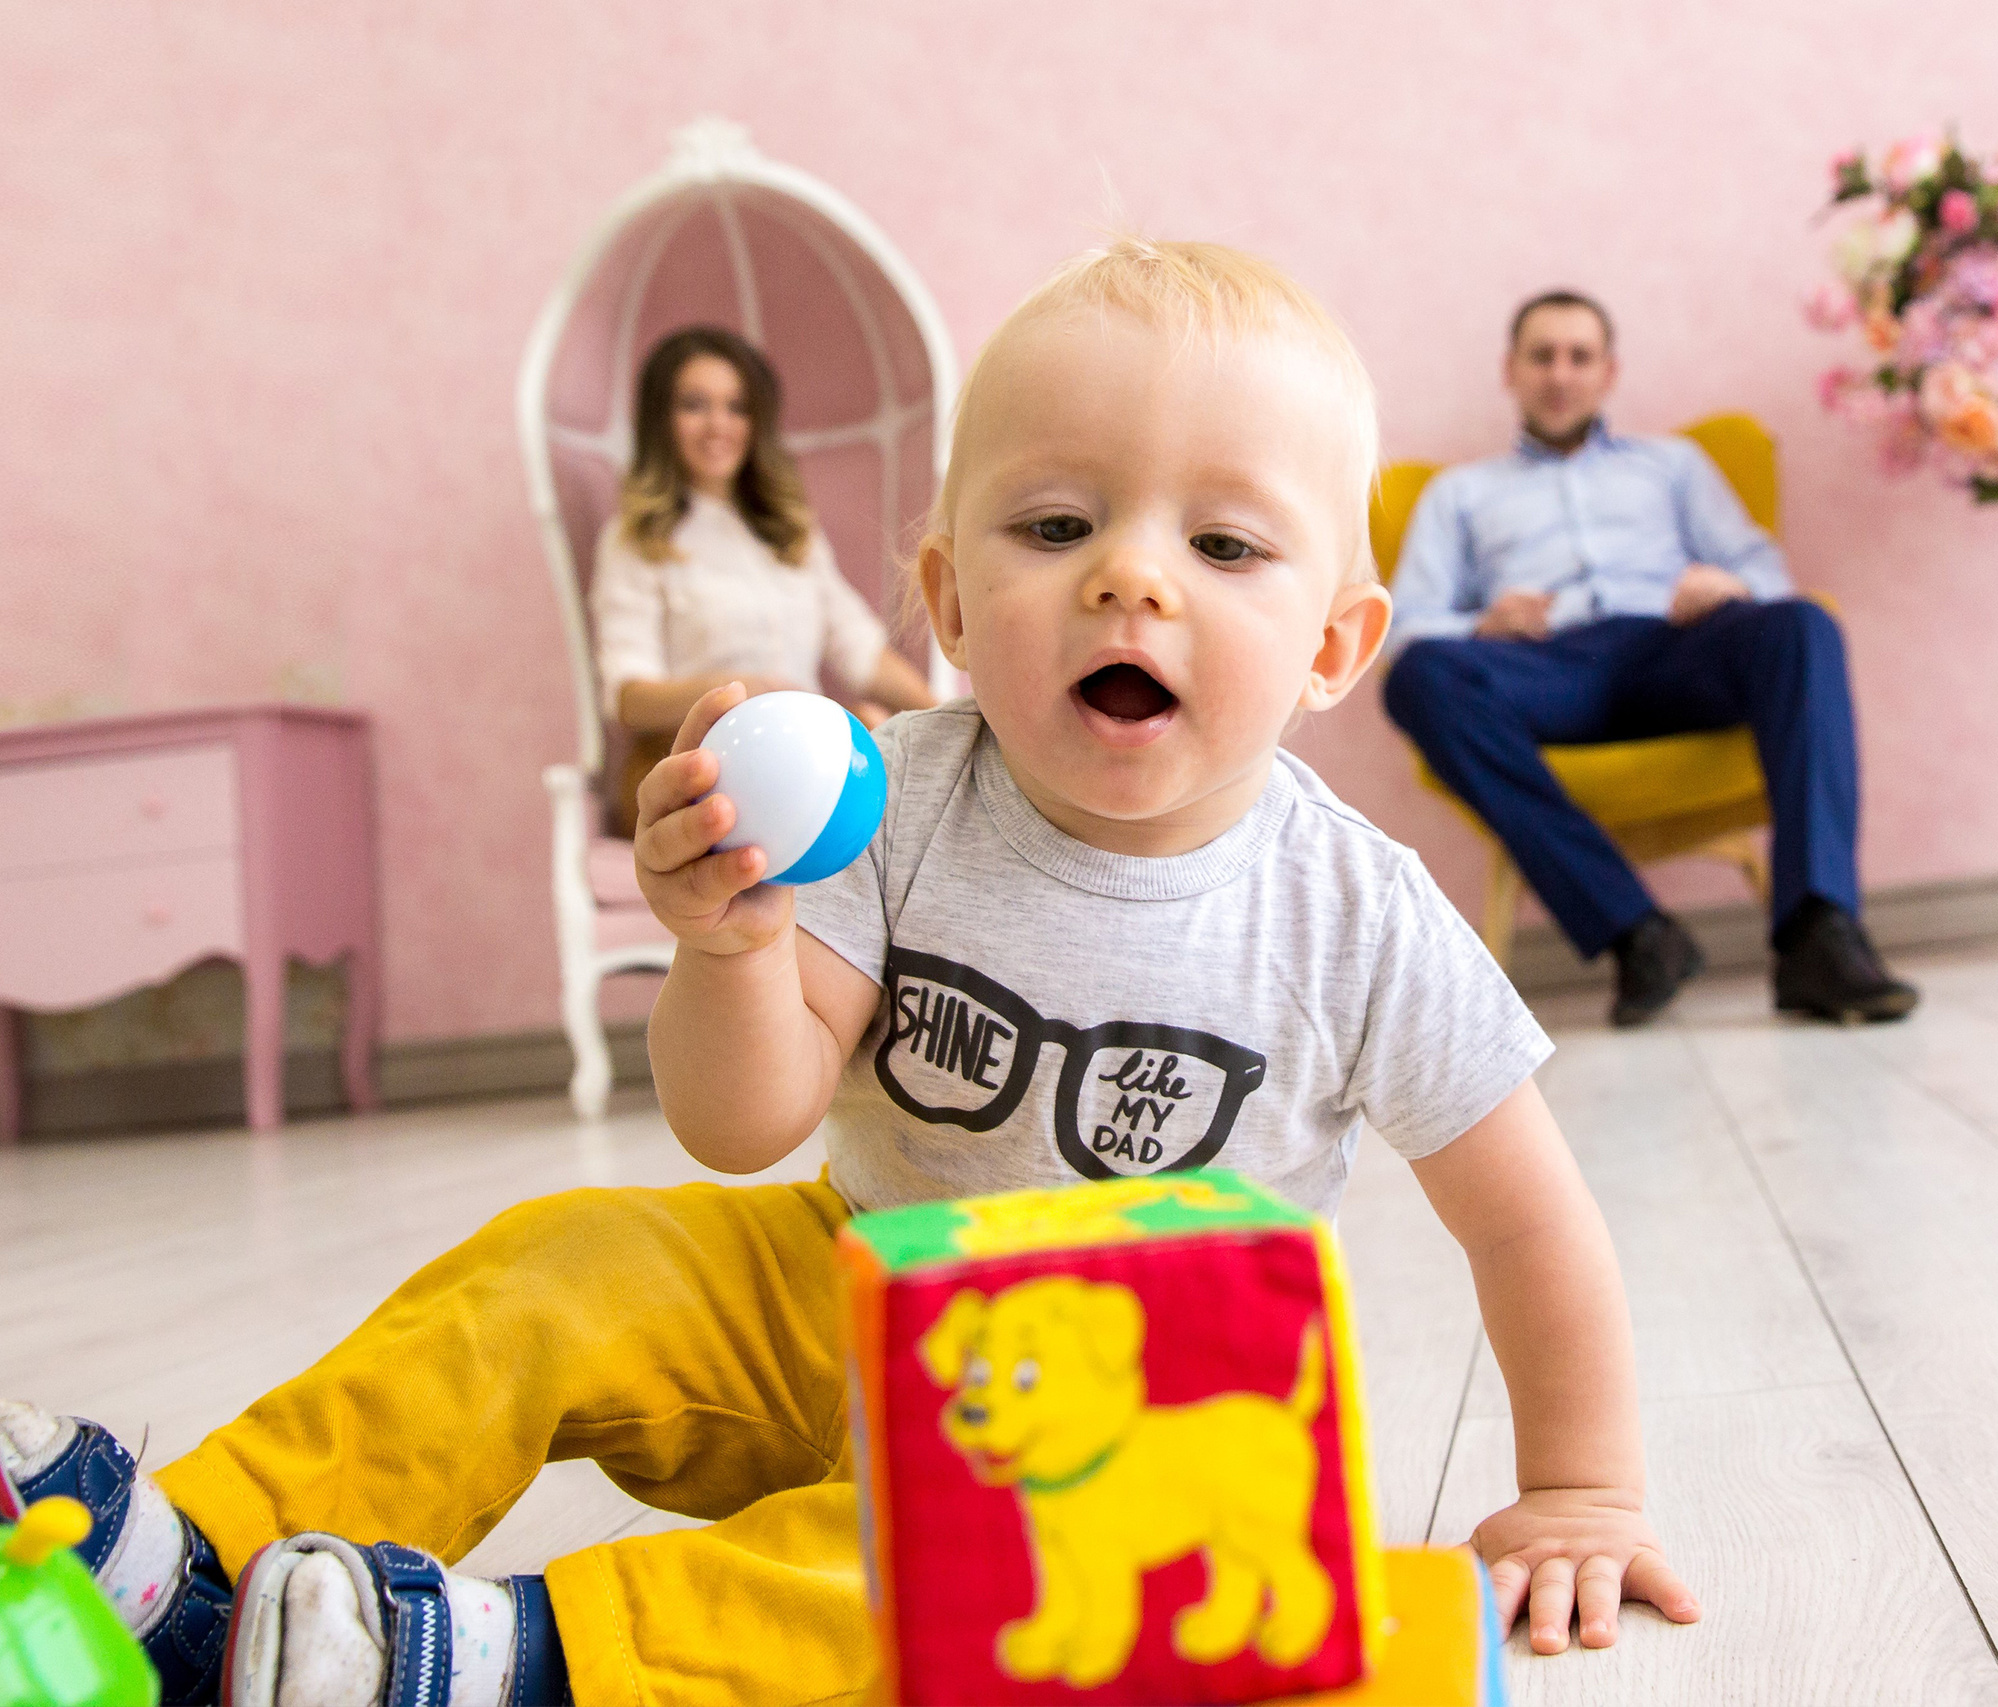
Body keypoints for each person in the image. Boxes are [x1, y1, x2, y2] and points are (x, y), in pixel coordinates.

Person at [4, 242, 1696, 1707]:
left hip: (1122, 1411)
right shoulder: (895, 798)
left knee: (931, 1579)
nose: (1130, 573)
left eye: (1229, 549)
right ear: (953, 603)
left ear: (1334, 644)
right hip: (842, 1283)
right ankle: (188, 1561)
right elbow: (746, 1126)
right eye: (1056, 521)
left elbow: (1528, 1220)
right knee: (559, 1260)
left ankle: (511, 1657)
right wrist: (731, 942)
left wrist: (1588, 1490)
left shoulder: (1358, 913)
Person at [1384, 291, 1920, 1027]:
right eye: (1543, 356)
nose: (1561, 374)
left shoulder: (1672, 466)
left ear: (1609, 371)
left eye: (1580, 356)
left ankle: (1818, 934)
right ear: (1511, 370)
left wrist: (1728, 584)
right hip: (1544, 668)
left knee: (1802, 626)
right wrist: (1482, 623)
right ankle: (1636, 931)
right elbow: (1406, 627)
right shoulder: (1459, 494)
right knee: (1419, 678)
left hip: (1673, 648)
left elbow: (1762, 570)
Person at [589, 325, 937, 835]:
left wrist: (953, 717)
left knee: (876, 724)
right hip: (700, 759)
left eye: (737, 406)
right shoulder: (635, 539)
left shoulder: (789, 532)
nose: (718, 424)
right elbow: (628, 699)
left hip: (795, 750)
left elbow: (858, 649)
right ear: (661, 419)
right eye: (694, 404)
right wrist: (732, 690)